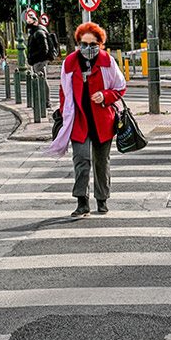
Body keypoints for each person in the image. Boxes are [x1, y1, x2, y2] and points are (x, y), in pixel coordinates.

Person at [46, 22, 127, 217]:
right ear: (78, 43)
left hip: (102, 121)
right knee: (81, 160)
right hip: (78, 120)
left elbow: (120, 87)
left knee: (101, 162)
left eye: (92, 44)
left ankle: (102, 199)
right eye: (83, 44)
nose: (87, 48)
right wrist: (65, 113)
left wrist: (105, 96)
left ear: (100, 44)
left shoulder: (107, 62)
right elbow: (63, 90)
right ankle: (82, 201)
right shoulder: (70, 62)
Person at [27, 23, 53, 107]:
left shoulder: (39, 33)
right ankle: (43, 101)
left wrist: (34, 56)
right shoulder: (36, 33)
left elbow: (44, 49)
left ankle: (46, 102)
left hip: (39, 61)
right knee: (40, 80)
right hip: (37, 60)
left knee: (42, 80)